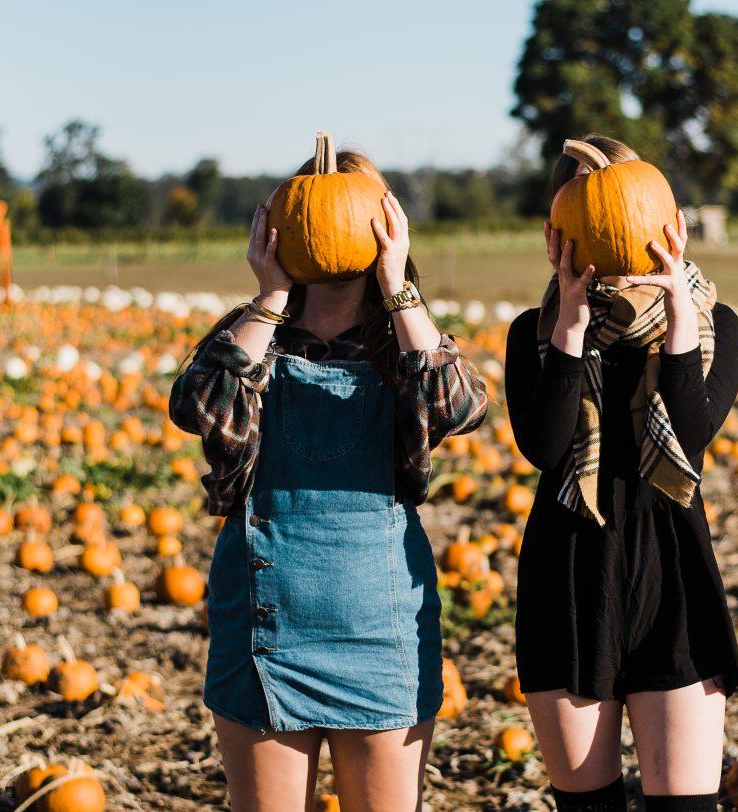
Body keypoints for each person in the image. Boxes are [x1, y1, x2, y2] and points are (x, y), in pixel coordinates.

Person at [169, 148, 489, 812]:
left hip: (381, 625)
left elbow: (460, 406)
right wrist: (269, 298)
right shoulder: (255, 333)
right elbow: (196, 405)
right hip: (265, 625)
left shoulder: (402, 337)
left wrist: (398, 287)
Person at [505, 134, 738, 812]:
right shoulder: (535, 334)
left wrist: (674, 315)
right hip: (570, 583)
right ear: (558, 233)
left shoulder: (711, 325)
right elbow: (546, 446)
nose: (606, 224)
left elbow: (690, 438)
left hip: (673, 580)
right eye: (584, 211)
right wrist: (572, 326)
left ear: (671, 221)